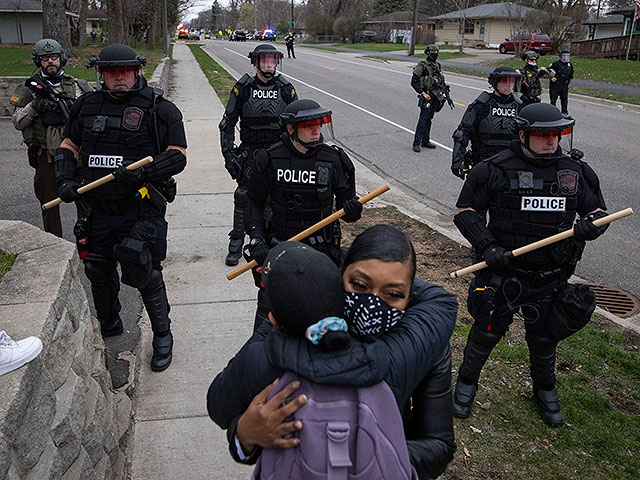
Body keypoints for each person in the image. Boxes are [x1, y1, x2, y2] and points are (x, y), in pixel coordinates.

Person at [208, 225, 458, 479]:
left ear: (409, 298)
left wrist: (371, 456)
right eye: (360, 285)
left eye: (392, 294)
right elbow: (234, 412)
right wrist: (245, 435)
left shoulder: (426, 346)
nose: (372, 303)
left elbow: (439, 444)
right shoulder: (296, 322)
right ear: (338, 279)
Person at [451, 103, 608, 428]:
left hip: (549, 277)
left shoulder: (574, 172)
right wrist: (486, 245)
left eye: (557, 134)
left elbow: (599, 213)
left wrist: (591, 226)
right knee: (486, 331)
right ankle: (466, 384)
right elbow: (465, 210)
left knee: (543, 338)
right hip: (503, 274)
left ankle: (545, 390)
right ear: (522, 134)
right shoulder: (493, 168)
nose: (552, 141)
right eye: (543, 135)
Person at [54, 43, 187, 372]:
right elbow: (69, 144)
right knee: (97, 269)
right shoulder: (86, 105)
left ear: (137, 71)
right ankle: (110, 325)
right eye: (111, 73)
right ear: (100, 74)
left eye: (124, 72)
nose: (118, 79)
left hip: (139, 208)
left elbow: (178, 155)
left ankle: (162, 336)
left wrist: (144, 171)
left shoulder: (159, 108)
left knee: (143, 269)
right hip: (96, 208)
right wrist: (64, 180)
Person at [244, 98, 363, 330]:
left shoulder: (335, 160)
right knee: (268, 321)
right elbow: (254, 202)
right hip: (280, 250)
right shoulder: (268, 159)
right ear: (291, 128)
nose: (316, 130)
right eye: (309, 125)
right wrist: (257, 238)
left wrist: (352, 210)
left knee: (321, 315)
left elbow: (347, 210)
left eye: (319, 124)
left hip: (321, 254)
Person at [219, 44, 298, 266]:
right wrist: (228, 154)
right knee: (244, 196)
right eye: (264, 61)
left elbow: (297, 122)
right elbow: (227, 123)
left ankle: (270, 242)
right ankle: (236, 242)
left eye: (273, 61)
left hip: (277, 153)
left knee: (276, 198)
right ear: (256, 62)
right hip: (249, 152)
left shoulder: (285, 88)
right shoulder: (243, 87)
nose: (269, 65)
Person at [10, 38, 92, 238]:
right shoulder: (29, 88)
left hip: (76, 155)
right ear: (38, 61)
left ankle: (89, 242)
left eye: (54, 57)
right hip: (45, 156)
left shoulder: (77, 85)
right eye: (45, 58)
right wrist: (34, 106)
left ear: (61, 58)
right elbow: (17, 121)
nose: (50, 62)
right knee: (49, 205)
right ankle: (55, 244)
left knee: (86, 200)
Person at [450, 66, 523, 179]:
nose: (509, 85)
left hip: (512, 167)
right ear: (494, 82)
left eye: (512, 81)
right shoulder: (481, 106)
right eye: (504, 80)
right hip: (484, 165)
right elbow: (462, 134)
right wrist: (457, 161)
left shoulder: (520, 107)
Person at [411, 44, 449, 152]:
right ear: (428, 53)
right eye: (433, 53)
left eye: (437, 52)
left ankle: (425, 141)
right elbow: (414, 82)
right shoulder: (422, 66)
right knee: (423, 119)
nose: (435, 55)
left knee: (429, 119)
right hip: (427, 95)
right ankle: (416, 143)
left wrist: (443, 95)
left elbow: (441, 81)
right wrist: (423, 93)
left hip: (436, 96)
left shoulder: (437, 66)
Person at [549, 48, 574, 115]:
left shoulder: (569, 65)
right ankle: (552, 112)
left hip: (564, 85)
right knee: (553, 99)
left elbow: (571, 75)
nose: (566, 57)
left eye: (567, 56)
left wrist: (568, 83)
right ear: (560, 56)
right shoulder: (555, 64)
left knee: (564, 100)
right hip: (556, 85)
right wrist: (552, 77)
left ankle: (564, 112)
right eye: (564, 56)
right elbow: (548, 72)